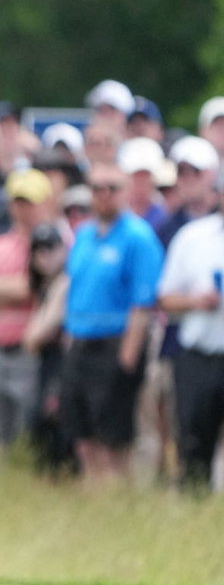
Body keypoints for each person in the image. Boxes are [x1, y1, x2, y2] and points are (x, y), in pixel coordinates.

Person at [59, 163, 163, 483]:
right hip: (80, 341)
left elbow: (143, 302)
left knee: (112, 434)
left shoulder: (138, 237)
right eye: (96, 189)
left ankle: (116, 493)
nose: (103, 195)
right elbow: (74, 288)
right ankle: (94, 491)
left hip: (116, 342)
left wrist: (127, 358)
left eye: (111, 188)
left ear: (125, 192)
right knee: (82, 432)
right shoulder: (84, 235)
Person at [0, 169, 53, 458]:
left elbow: (36, 289)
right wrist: (15, 291)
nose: (22, 210)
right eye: (18, 202)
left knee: (28, 432)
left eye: (29, 202)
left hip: (31, 353)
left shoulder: (52, 242)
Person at [157, 211, 224, 490]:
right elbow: (165, 297)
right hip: (199, 356)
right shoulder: (193, 236)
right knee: (194, 445)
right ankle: (194, 507)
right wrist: (196, 301)